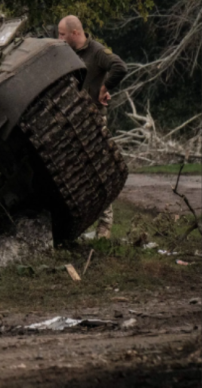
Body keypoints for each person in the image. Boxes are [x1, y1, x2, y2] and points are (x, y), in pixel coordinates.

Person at [58, 15, 128, 238]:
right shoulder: (65, 52)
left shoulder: (96, 51)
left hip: (94, 119)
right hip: (71, 120)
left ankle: (105, 226)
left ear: (75, 33)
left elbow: (119, 66)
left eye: (62, 34)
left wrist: (105, 86)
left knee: (99, 170)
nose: (58, 38)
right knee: (75, 174)